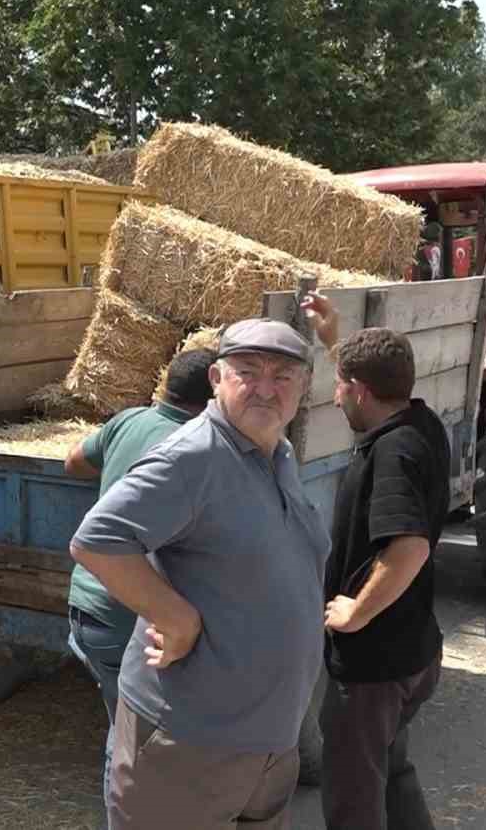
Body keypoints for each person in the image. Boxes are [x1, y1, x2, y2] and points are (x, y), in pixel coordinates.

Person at [70, 319, 330, 830]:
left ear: (304, 387)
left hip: (268, 744)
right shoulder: (193, 456)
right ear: (216, 379)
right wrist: (176, 617)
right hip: (189, 746)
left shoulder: (278, 453)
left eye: (282, 376)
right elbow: (97, 541)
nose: (264, 387)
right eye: (247, 371)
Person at [302, 294, 450, 830]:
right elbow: (368, 376)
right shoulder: (419, 421)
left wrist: (356, 615)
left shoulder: (392, 455)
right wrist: (333, 339)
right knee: (391, 767)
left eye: (341, 385)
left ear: (361, 392)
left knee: (353, 792)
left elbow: (409, 545)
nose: (336, 395)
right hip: (412, 651)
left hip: (373, 667)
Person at [62, 349, 218, 793]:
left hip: (86, 606)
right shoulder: (195, 446)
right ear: (209, 400)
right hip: (124, 616)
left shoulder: (128, 420)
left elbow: (73, 462)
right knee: (133, 738)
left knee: (129, 723)